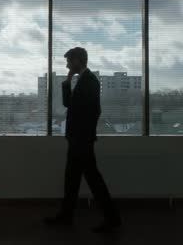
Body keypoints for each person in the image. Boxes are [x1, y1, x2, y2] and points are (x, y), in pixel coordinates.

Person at [44, 47, 121, 233]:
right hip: (78, 139)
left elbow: (94, 111)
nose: (67, 65)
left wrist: (82, 136)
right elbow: (69, 104)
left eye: (69, 61)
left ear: (78, 60)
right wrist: (68, 82)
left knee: (93, 179)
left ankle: (112, 218)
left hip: (81, 141)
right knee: (72, 179)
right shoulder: (83, 80)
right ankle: (66, 216)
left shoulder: (90, 81)